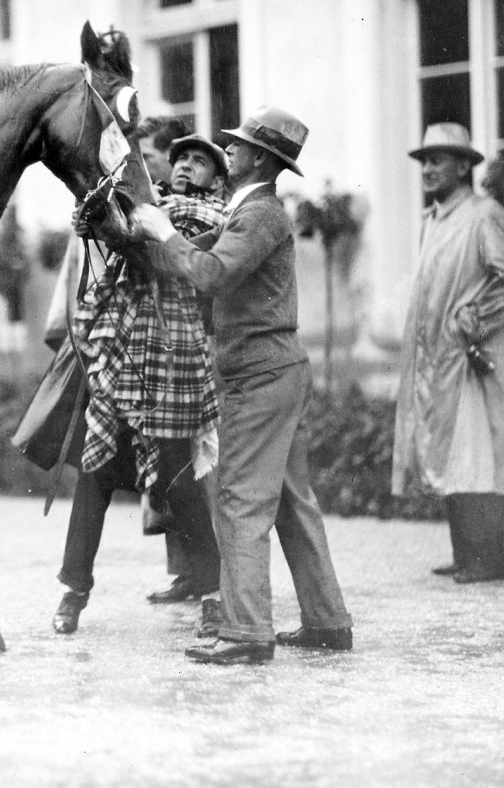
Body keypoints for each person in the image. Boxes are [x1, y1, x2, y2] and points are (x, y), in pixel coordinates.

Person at [132, 105, 352, 665]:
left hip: (259, 373)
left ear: (261, 158)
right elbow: (195, 253)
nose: (226, 149)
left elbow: (209, 273)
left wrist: (162, 229)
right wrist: (136, 230)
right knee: (291, 502)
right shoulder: (246, 215)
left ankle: (246, 630)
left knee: (237, 499)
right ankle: (327, 621)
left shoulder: (258, 215)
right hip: (275, 369)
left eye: (236, 145)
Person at [50, 131, 226, 639]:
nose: (189, 166)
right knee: (96, 468)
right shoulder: (154, 207)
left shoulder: (210, 219)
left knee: (178, 476)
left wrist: (115, 230)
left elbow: (162, 254)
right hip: (124, 348)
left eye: (201, 161)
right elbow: (122, 230)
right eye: (182, 159)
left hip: (173, 355)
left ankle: (213, 594)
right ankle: (73, 590)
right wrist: (96, 219)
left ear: (217, 178)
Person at [392, 122, 504, 583]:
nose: (428, 169)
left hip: (473, 356)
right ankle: (465, 551)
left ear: (465, 165)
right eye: (425, 160)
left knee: (476, 455)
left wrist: (473, 317)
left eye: (439, 159)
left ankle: (491, 557)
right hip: (437, 358)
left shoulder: (484, 214)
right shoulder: (433, 220)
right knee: (448, 453)